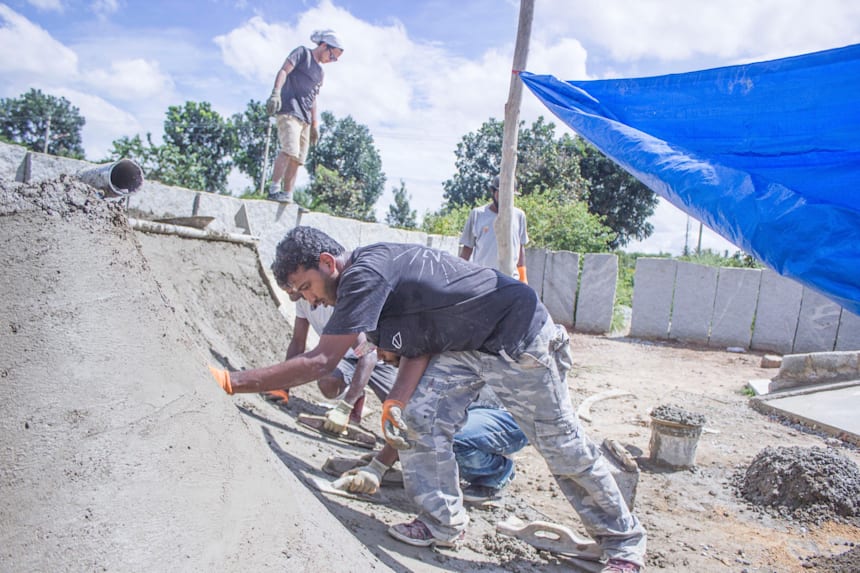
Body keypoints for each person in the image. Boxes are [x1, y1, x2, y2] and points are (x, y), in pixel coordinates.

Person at [208, 226, 646, 573]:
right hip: (466, 348)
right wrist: (395, 403)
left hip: (517, 337)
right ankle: (442, 522)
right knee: (418, 419)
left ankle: (624, 543)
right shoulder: (373, 285)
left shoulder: (363, 275)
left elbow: (321, 360)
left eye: (306, 287)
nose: (309, 299)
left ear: (327, 263)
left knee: (561, 446)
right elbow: (419, 345)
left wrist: (232, 381)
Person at [338, 352, 528, 504]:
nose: (380, 357)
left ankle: (497, 473)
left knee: (448, 437)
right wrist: (381, 464)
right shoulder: (419, 356)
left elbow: (423, 419)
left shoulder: (432, 356)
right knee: (433, 432)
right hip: (472, 411)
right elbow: (417, 417)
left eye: (382, 349)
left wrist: (378, 467)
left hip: (509, 416)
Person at [267, 289, 394, 433]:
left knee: (402, 408)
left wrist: (344, 408)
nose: (285, 289)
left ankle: (357, 396)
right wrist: (282, 388)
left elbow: (369, 348)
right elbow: (298, 342)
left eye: (289, 285)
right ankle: (357, 396)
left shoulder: (335, 298)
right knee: (327, 382)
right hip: (344, 358)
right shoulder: (302, 302)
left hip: (380, 357)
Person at [265, 30, 344, 204]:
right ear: (324, 46)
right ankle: (274, 190)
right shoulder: (302, 53)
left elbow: (313, 98)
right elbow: (284, 71)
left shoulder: (320, 72)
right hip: (289, 110)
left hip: (305, 118)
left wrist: (315, 124)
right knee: (289, 149)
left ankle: (287, 194)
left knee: (299, 158)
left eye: (335, 59)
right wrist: (276, 92)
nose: (332, 60)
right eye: (332, 56)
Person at [459, 174, 529, 283]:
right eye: (502, 194)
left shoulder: (519, 216)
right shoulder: (478, 214)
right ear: (492, 191)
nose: (505, 198)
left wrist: (523, 277)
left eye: (510, 195)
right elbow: (467, 248)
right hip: (482, 279)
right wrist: (459, 274)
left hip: (510, 280)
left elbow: (520, 247)